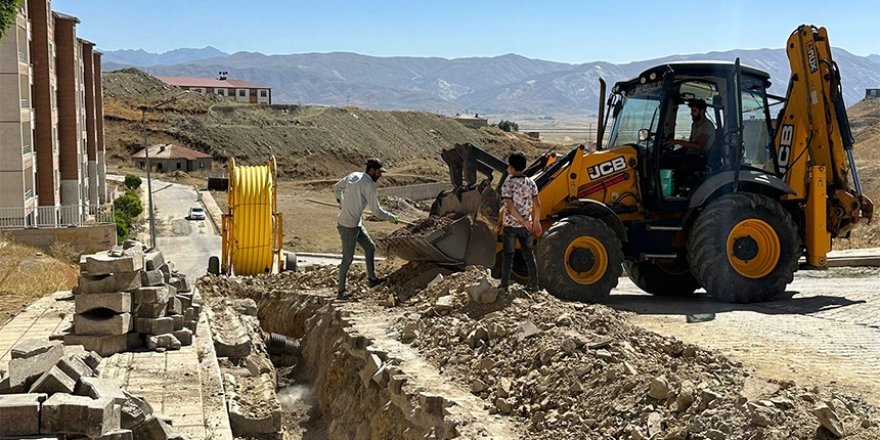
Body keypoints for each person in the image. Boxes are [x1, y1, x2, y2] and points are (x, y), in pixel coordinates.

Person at [333, 158, 398, 300]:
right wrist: (390, 217)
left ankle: (371, 279)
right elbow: (376, 211)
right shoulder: (369, 185)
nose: (380, 176)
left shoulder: (354, 175)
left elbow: (337, 188)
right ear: (372, 170)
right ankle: (341, 291)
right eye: (379, 172)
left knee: (370, 247)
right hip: (348, 226)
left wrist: (341, 201)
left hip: (356, 223)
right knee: (347, 258)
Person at [499, 152, 541, 292]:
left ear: (511, 167)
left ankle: (504, 285)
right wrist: (535, 222)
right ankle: (534, 285)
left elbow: (510, 207)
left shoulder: (508, 184)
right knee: (528, 254)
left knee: (508, 255)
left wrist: (521, 221)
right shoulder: (531, 183)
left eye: (509, 166)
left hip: (510, 226)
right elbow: (537, 205)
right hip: (527, 227)